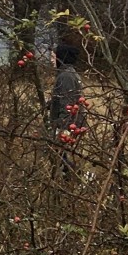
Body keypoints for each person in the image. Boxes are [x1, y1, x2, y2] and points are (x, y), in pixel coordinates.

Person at [50, 43, 86, 173]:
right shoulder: (68, 74)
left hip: (67, 126)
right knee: (61, 159)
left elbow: (68, 105)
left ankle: (80, 179)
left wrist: (64, 130)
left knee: (62, 160)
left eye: (53, 57)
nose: (51, 60)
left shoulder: (66, 76)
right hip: (70, 124)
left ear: (61, 57)